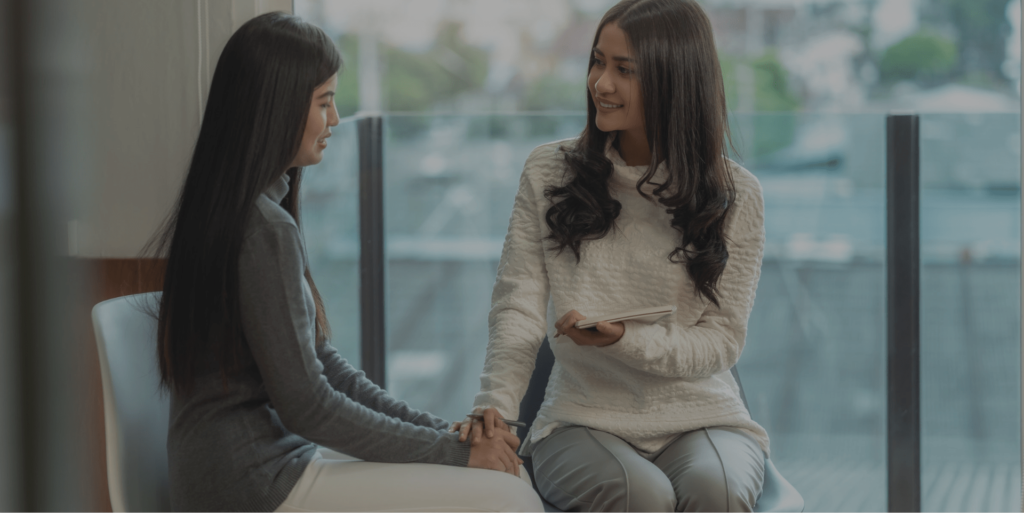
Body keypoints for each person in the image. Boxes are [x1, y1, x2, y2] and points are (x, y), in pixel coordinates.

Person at [149, 12, 542, 513]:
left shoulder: (240, 211)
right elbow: (309, 405)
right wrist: (453, 451)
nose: (335, 120)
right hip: (249, 485)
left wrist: (445, 434)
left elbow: (323, 366)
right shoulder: (263, 228)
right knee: (508, 498)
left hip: (253, 467)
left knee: (503, 485)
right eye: (324, 102)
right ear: (277, 106)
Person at [455, 1, 770, 511]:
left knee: (718, 490)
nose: (601, 83)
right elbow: (518, 309)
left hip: (703, 414)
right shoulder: (548, 172)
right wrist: (494, 414)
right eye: (598, 62)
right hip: (581, 415)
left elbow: (722, 341)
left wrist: (626, 339)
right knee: (639, 495)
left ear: (675, 79)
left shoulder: (737, 194)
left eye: (625, 70)